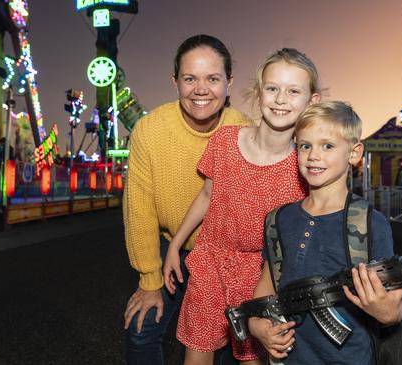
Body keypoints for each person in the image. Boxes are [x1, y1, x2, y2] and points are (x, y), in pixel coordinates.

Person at [162, 48, 322, 364]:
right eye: (273, 88)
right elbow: (207, 196)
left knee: (254, 359)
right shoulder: (225, 141)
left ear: (311, 101)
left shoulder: (305, 165)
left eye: (293, 91)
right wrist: (174, 247)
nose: (280, 99)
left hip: (262, 278)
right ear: (258, 91)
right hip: (210, 263)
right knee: (196, 356)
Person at [123, 34, 251, 365]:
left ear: (228, 82)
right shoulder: (149, 131)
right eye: (190, 78)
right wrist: (149, 280)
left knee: (230, 341)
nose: (201, 89)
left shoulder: (245, 133)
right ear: (175, 81)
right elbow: (140, 211)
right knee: (141, 330)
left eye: (213, 78)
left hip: (226, 252)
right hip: (172, 245)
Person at [248, 101, 402, 364]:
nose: (313, 156)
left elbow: (394, 306)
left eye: (328, 146)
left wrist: (388, 313)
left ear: (354, 153)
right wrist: (257, 326)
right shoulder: (279, 218)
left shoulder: (370, 223)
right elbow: (268, 285)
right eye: (305, 145)